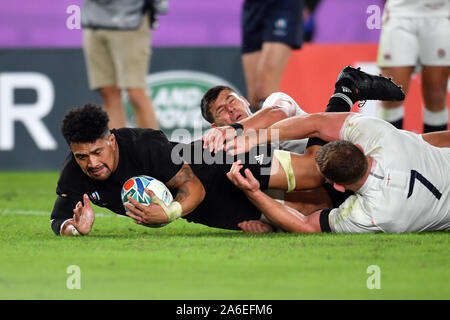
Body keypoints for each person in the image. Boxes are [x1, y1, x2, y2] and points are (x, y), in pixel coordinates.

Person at [51, 103, 330, 236]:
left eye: (97, 152)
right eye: (82, 156)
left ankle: (333, 111)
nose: (92, 163)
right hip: (209, 211)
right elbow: (59, 217)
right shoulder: (75, 171)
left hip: (220, 162)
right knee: (306, 217)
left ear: (111, 140)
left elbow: (192, 186)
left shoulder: (144, 144)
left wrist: (168, 212)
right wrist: (73, 228)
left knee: (316, 173)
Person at [225, 110, 450, 234]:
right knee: (422, 141)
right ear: (359, 147)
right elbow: (316, 122)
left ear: (338, 186)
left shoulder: (372, 214)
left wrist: (253, 192)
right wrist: (256, 137)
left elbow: (305, 224)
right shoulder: (381, 136)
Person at [82, 0, 159, 129]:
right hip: (93, 20)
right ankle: (118, 147)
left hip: (130, 20)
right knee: (108, 91)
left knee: (135, 92)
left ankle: (154, 148)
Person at [376, 0, 450, 132]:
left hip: (440, 13)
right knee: (391, 94)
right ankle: (388, 151)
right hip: (400, 13)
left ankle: (434, 152)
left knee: (436, 93)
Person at [241, 0, 304, 110]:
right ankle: (283, 124)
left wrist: (310, 5)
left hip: (282, 5)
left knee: (265, 91)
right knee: (255, 99)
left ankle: (286, 126)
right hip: (252, 8)